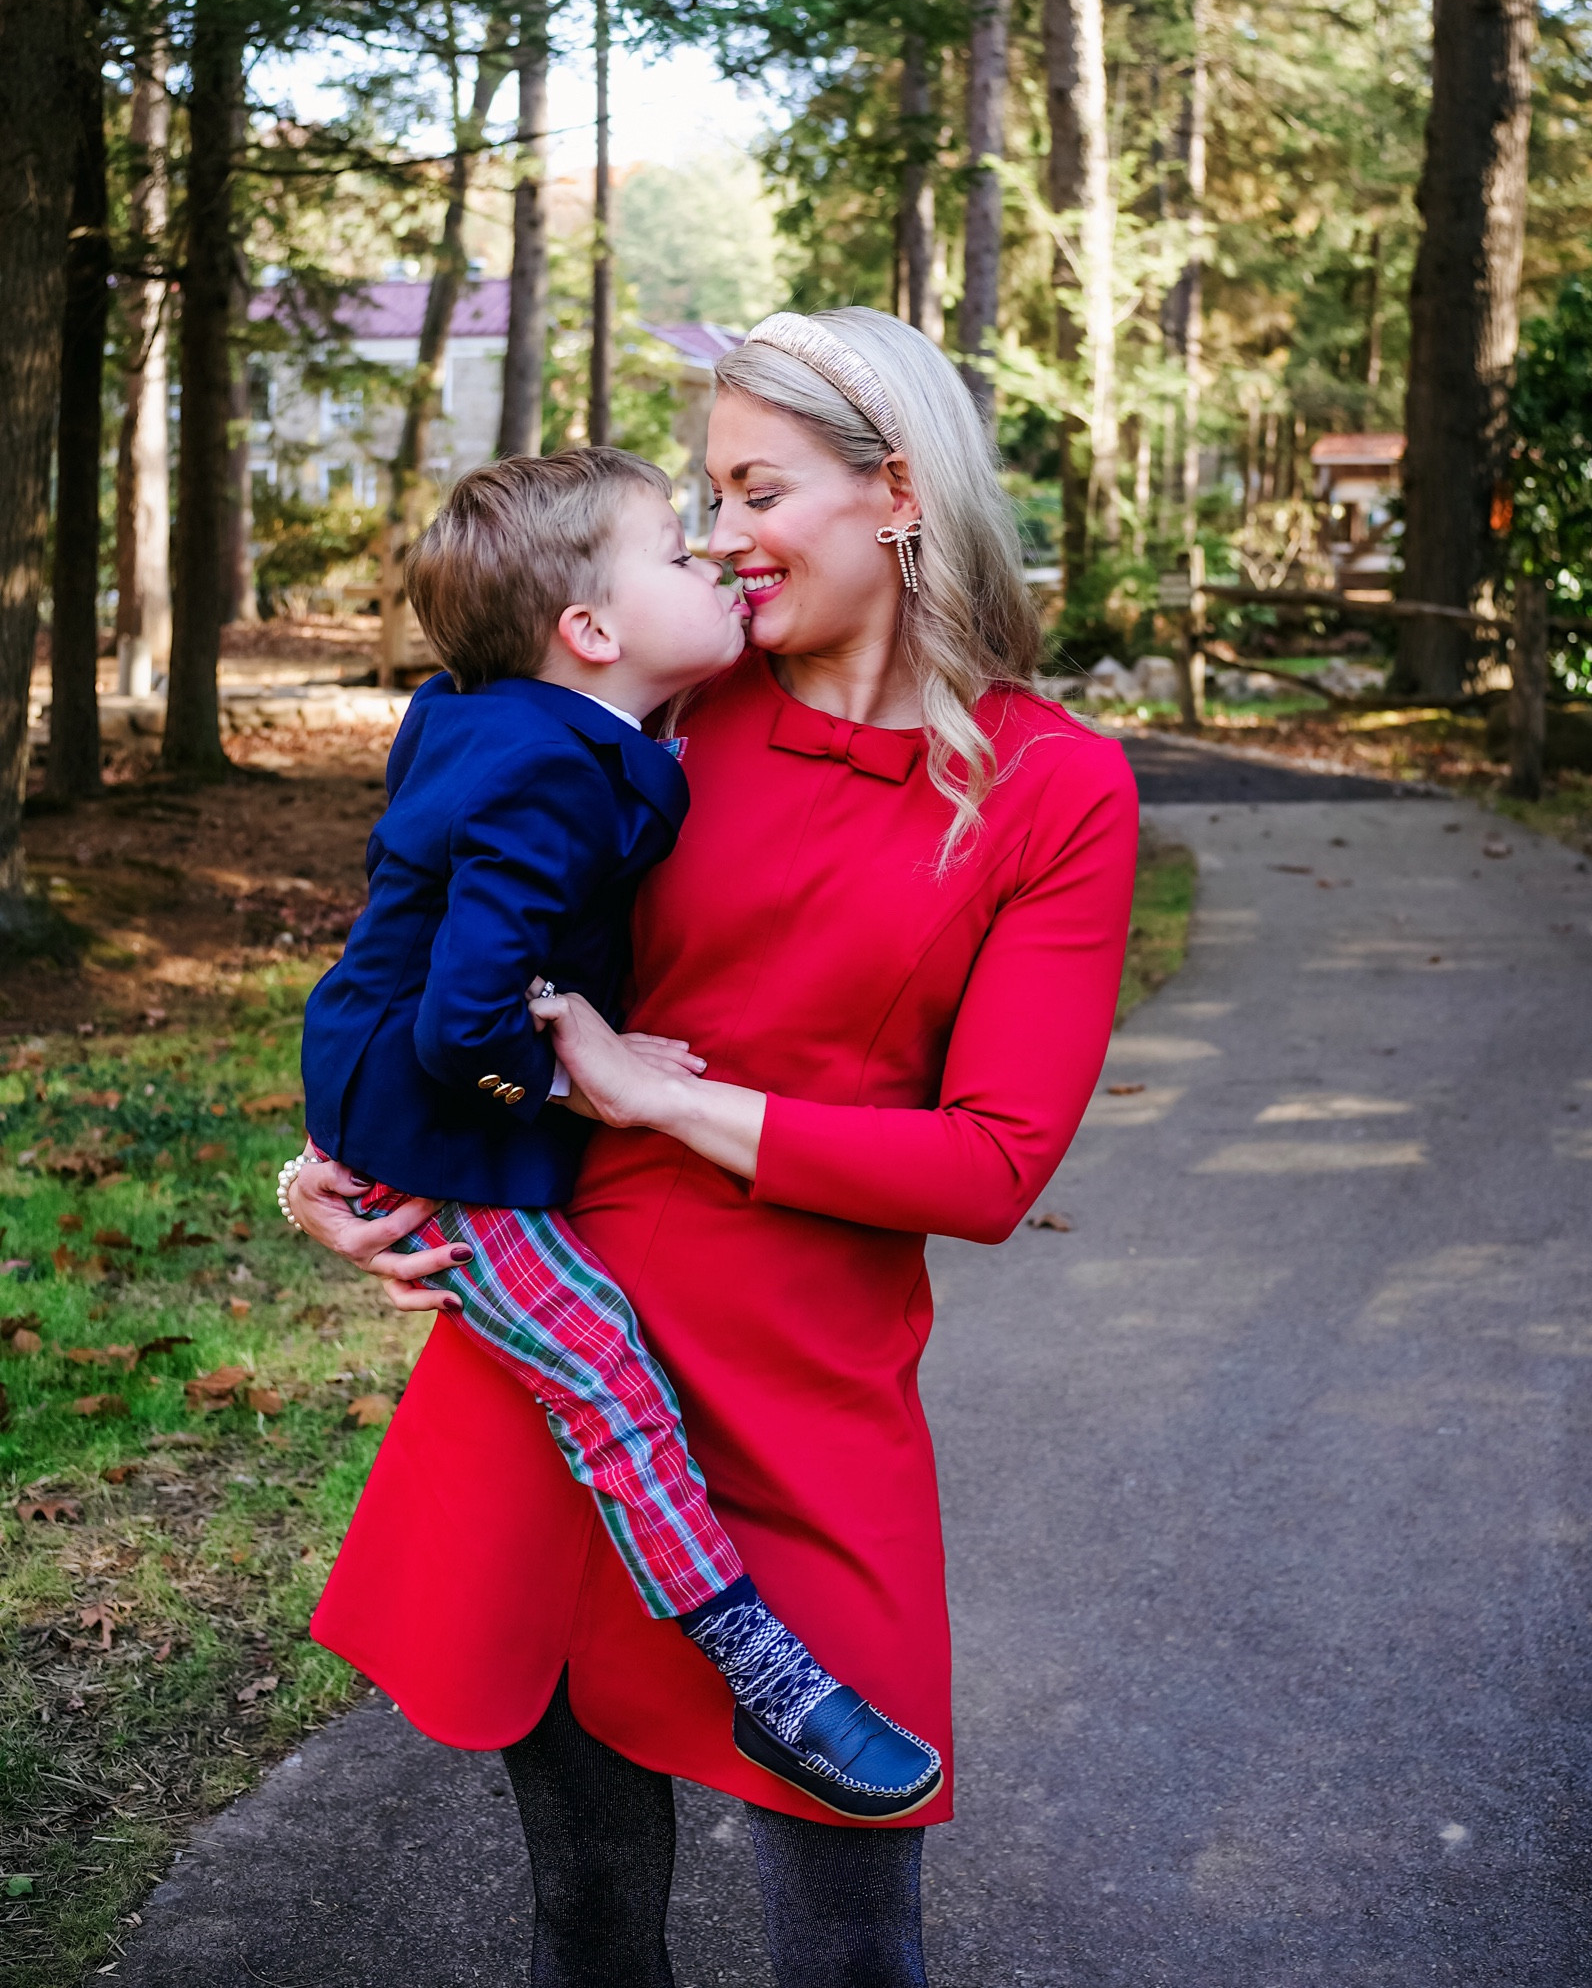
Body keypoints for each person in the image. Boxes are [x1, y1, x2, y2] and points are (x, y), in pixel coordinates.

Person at [291, 307, 1139, 1988]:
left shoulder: (1055, 790)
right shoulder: (662, 704)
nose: (727, 539)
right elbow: (425, 932)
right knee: (588, 1926)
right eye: (706, 500)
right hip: (571, 1372)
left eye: (758, 489)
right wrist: (335, 1160)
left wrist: (658, 1094)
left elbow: (988, 1168)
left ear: (895, 489)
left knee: (850, 1948)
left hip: (808, 1402)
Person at [292, 445, 942, 1822]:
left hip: (381, 1079)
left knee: (601, 1368)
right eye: (678, 545)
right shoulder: (555, 777)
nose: (712, 552)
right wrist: (587, 1074)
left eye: (741, 509)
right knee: (605, 1373)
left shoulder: (518, 721)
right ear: (591, 632)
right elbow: (462, 1021)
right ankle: (761, 1670)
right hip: (439, 1127)